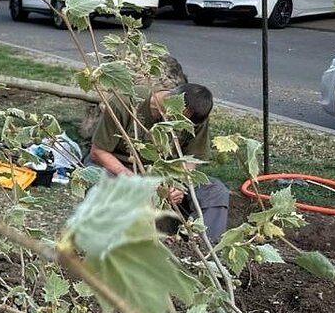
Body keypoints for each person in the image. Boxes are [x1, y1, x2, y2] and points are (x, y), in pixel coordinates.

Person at [89, 83, 230, 242]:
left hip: (165, 174)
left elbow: (191, 158)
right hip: (120, 167)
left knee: (215, 191)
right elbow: (98, 152)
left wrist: (178, 185)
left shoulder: (195, 116)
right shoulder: (125, 102)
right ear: (172, 100)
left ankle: (201, 248)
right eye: (178, 119)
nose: (180, 125)